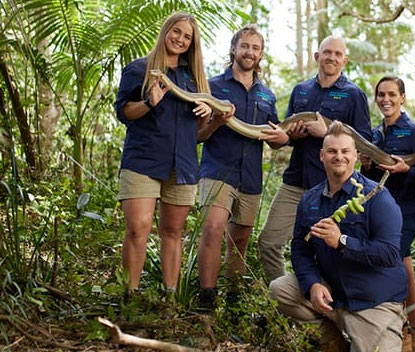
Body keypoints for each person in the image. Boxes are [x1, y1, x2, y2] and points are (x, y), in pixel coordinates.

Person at [270, 122, 407, 352]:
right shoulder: (310, 199)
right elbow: (299, 247)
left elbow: (389, 254)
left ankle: (386, 331)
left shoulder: (377, 197)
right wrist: (311, 284)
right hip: (333, 294)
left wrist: (342, 241)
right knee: (280, 290)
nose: (339, 157)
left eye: (345, 151)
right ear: (322, 156)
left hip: (372, 300)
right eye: (332, 151)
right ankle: (334, 339)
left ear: (356, 155)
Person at [256, 36, 371, 283]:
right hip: (295, 180)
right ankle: (283, 301)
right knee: (268, 242)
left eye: (337, 54)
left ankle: (325, 309)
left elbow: (364, 142)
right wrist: (289, 135)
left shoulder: (354, 95)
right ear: (317, 56)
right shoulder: (301, 90)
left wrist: (327, 134)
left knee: (328, 250)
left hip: (333, 188)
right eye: (327, 52)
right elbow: (286, 134)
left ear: (344, 60)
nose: (331, 58)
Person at [114, 12, 212, 299]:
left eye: (187, 37)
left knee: (173, 231)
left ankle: (170, 298)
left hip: (182, 164)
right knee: (138, 227)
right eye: (176, 32)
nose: (180, 39)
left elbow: (196, 130)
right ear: (166, 30)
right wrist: (148, 102)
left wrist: (206, 115)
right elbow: (124, 113)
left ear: (192, 43)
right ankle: (128, 297)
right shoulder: (139, 69)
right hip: (143, 160)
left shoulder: (192, 79)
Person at [196, 25, 287, 309]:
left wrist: (282, 138)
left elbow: (273, 138)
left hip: (250, 177)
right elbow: (198, 135)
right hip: (217, 170)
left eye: (255, 48)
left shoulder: (267, 95)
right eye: (244, 46)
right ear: (234, 49)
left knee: (240, 241)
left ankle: (234, 303)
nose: (250, 52)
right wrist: (217, 122)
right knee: (212, 228)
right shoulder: (212, 87)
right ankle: (206, 300)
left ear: (261, 54)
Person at [361, 76, 415, 352]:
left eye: (391, 94)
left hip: (406, 213)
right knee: (406, 270)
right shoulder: (375, 134)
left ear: (403, 97)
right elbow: (371, 177)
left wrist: (408, 171)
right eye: (380, 94)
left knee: (392, 268)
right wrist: (366, 166)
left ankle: (399, 332)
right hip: (379, 213)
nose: (385, 99)